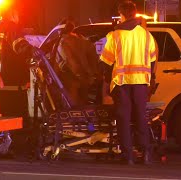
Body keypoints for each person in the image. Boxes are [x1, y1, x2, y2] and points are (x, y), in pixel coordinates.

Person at [100, 1, 158, 165]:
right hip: (141, 83)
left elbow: (106, 62)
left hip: (122, 82)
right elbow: (153, 60)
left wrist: (104, 79)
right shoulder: (146, 35)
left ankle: (128, 156)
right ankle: (146, 153)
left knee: (123, 118)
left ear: (122, 15)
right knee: (141, 117)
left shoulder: (115, 35)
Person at [54, 18, 100, 105]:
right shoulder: (83, 40)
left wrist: (77, 75)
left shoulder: (62, 43)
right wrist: (91, 74)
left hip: (71, 79)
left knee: (73, 108)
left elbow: (70, 60)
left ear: (61, 30)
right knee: (84, 105)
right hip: (85, 78)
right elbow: (93, 56)